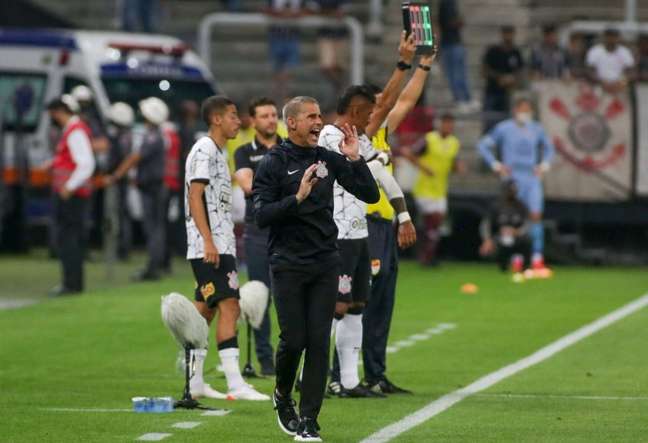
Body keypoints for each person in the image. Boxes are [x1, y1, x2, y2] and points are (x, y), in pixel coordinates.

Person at [253, 96, 379, 440]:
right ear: (290, 123)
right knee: (294, 340)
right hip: (288, 263)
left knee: (319, 341)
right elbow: (260, 215)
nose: (318, 122)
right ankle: (282, 394)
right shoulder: (273, 163)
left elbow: (369, 195)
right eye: (311, 116)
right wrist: (297, 198)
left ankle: (309, 420)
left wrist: (355, 158)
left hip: (325, 261)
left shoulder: (328, 159)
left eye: (320, 116)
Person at [318, 85, 414, 399]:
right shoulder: (331, 137)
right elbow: (368, 168)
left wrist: (403, 216)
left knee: (357, 306)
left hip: (360, 235)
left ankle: (348, 381)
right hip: (338, 234)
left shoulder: (358, 140)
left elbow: (382, 176)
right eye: (370, 112)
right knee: (337, 306)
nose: (373, 117)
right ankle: (318, 377)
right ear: (358, 110)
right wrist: (375, 160)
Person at [185, 95, 269, 401]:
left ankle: (193, 382)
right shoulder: (205, 150)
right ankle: (235, 383)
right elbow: (195, 196)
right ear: (217, 119)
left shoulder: (219, 153)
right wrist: (208, 241)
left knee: (202, 315)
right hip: (210, 246)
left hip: (219, 243)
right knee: (231, 305)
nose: (239, 121)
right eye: (233, 116)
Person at [362, 52, 435, 394]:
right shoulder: (357, 137)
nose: (386, 107)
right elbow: (396, 98)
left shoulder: (382, 134)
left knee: (382, 303)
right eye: (380, 103)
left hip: (385, 227)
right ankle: (341, 373)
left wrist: (423, 66)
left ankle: (375, 374)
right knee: (356, 303)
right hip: (364, 227)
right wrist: (407, 64)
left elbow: (406, 98)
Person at [234, 97, 283, 376]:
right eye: (264, 115)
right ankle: (266, 360)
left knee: (287, 296)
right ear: (252, 121)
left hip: (287, 231)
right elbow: (248, 186)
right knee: (260, 295)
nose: (270, 120)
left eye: (273, 114)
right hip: (258, 232)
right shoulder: (243, 152)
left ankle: (288, 355)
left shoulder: (288, 148)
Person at [477, 97, 555, 271]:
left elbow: (550, 148)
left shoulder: (536, 129)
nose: (525, 114)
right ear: (515, 111)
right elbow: (483, 145)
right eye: (522, 110)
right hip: (511, 178)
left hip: (531, 177)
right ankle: (516, 257)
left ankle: (536, 257)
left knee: (535, 216)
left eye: (528, 110)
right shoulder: (504, 128)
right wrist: (495, 164)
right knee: (515, 217)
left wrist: (544, 165)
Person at [105, 97, 168, 281]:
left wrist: (116, 175)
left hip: (152, 188)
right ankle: (155, 265)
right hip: (151, 186)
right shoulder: (154, 134)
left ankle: (153, 268)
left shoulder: (152, 136)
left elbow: (135, 158)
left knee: (153, 228)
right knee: (155, 227)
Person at [46, 98, 95, 296]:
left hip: (71, 196)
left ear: (59, 111)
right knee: (69, 238)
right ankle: (72, 283)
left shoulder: (75, 131)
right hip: (71, 194)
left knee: (68, 239)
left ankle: (71, 284)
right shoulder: (73, 130)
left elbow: (86, 164)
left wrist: (69, 186)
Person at [405, 113, 465, 266]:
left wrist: (458, 167)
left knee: (434, 225)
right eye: (445, 124)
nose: (448, 127)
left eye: (450, 124)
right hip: (424, 187)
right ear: (440, 124)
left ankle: (427, 255)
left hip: (440, 189)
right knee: (433, 220)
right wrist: (424, 167)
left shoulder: (454, 143)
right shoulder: (429, 139)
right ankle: (427, 256)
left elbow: (453, 163)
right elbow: (409, 153)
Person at [479, 180, 531, 274]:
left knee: (527, 241)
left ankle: (525, 268)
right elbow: (486, 224)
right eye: (510, 190)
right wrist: (487, 240)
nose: (512, 192)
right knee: (498, 244)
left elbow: (527, 224)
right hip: (500, 238)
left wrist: (517, 231)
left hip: (517, 237)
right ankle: (503, 266)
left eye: (514, 190)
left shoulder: (521, 206)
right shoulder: (496, 206)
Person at [105, 102, 135, 260]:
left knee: (120, 215)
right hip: (120, 179)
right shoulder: (126, 135)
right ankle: (122, 248)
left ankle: (122, 249)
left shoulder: (121, 137)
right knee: (121, 215)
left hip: (119, 181)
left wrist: (114, 175)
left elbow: (121, 160)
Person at [438, 0, 479, 113]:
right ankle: (459, 99)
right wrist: (459, 21)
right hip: (449, 44)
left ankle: (467, 98)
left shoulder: (452, 3)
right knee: (454, 74)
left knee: (462, 73)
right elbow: (448, 23)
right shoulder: (445, 4)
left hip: (456, 43)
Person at [482, 25, 525, 132]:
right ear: (502, 35)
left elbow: (520, 71)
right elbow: (484, 70)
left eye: (510, 34)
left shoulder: (516, 52)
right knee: (489, 120)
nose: (508, 37)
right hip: (492, 91)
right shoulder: (493, 51)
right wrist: (499, 78)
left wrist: (512, 79)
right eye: (506, 34)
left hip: (508, 93)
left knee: (507, 122)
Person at [265, 0, 304, 103]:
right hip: (276, 37)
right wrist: (279, 13)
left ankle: (284, 98)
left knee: (288, 72)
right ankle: (277, 99)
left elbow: (308, 10)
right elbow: (265, 9)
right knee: (276, 72)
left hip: (292, 37)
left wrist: (295, 14)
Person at [311, 0, 348, 94]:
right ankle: (339, 88)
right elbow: (313, 10)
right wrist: (329, 13)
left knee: (340, 67)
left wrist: (326, 12)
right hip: (325, 34)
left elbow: (343, 11)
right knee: (326, 66)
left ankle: (339, 92)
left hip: (340, 34)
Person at [586, 28, 635, 94]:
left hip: (620, 86)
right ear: (604, 37)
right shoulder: (595, 51)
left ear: (618, 38)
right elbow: (590, 70)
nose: (611, 39)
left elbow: (630, 71)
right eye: (609, 36)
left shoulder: (625, 52)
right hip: (599, 86)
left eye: (614, 37)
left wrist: (621, 82)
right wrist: (601, 82)